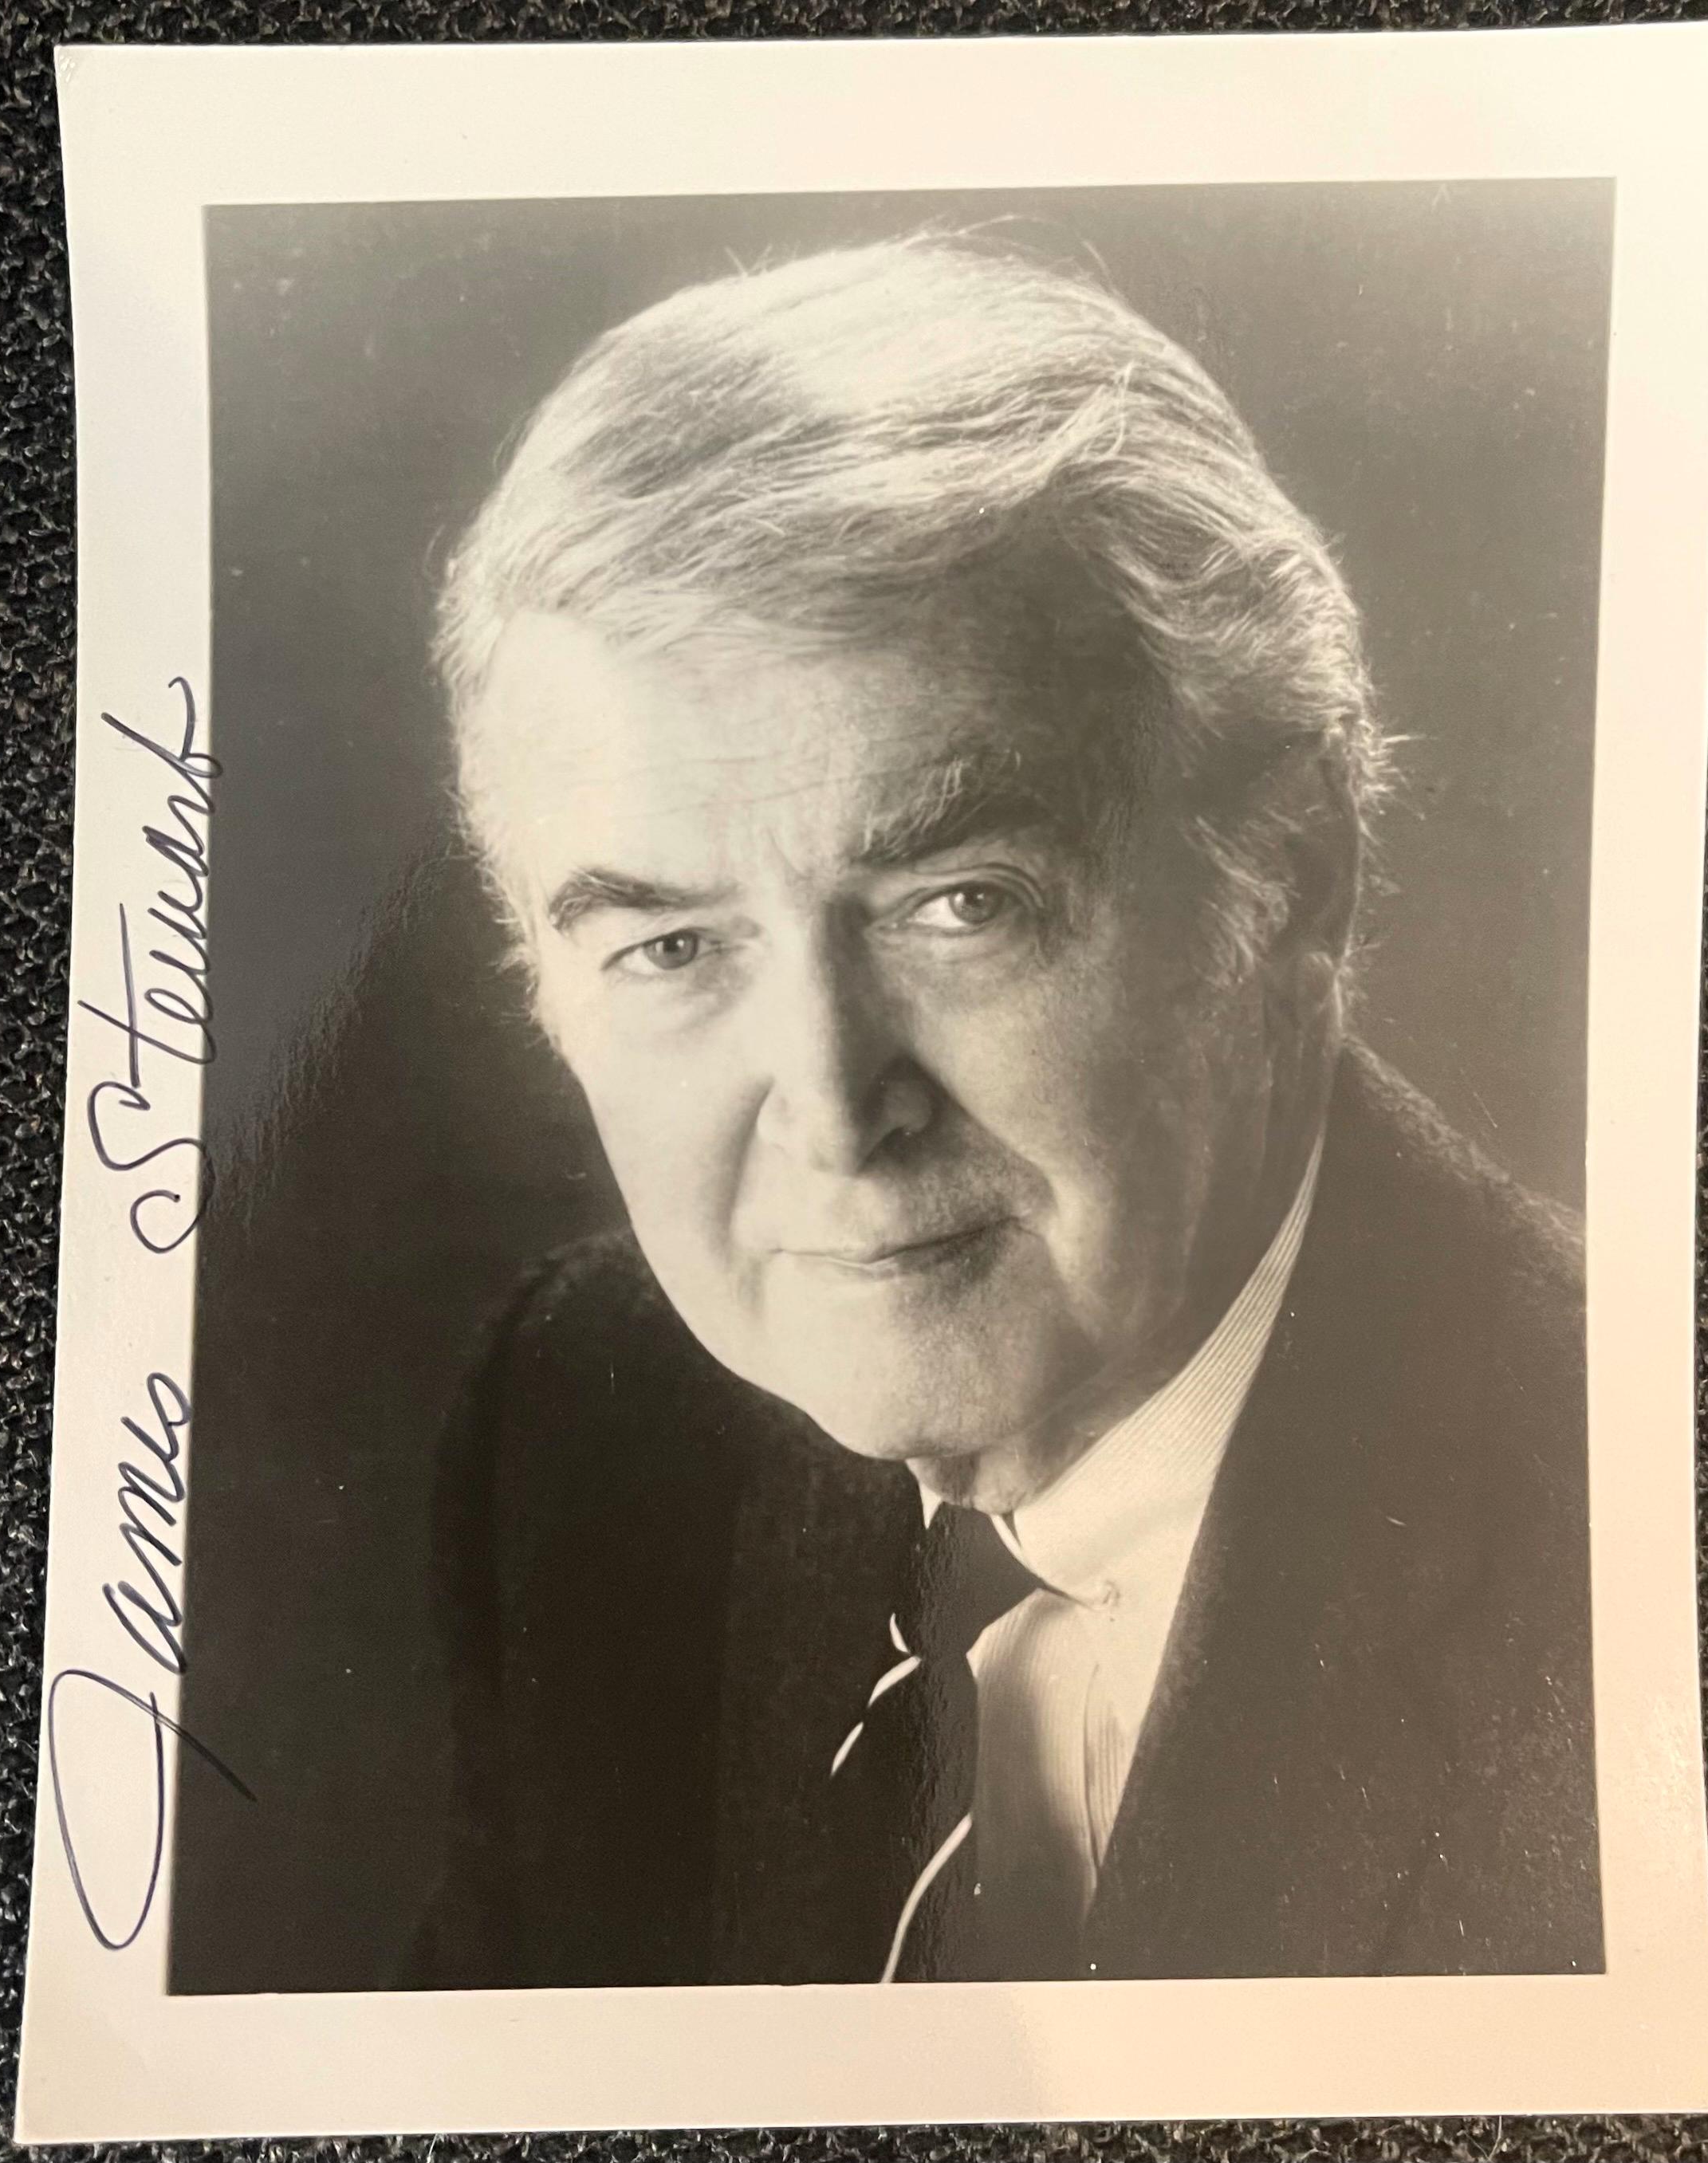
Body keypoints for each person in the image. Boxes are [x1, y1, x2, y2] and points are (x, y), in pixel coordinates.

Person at [412, 236, 1600, 1989]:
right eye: (670, 946)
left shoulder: (1651, 1532)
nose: (834, 1108)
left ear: (1292, 879)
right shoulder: (590, 1434)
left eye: (956, 903)